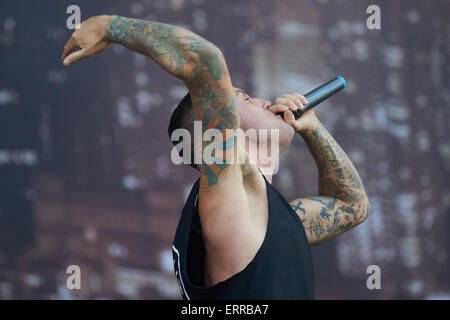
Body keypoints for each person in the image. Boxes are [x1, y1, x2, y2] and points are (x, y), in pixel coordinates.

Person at [62, 15, 370, 300]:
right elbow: (205, 60)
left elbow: (351, 205)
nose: (265, 101)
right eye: (245, 98)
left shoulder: (277, 219)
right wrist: (108, 26)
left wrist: (313, 127)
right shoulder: (225, 192)